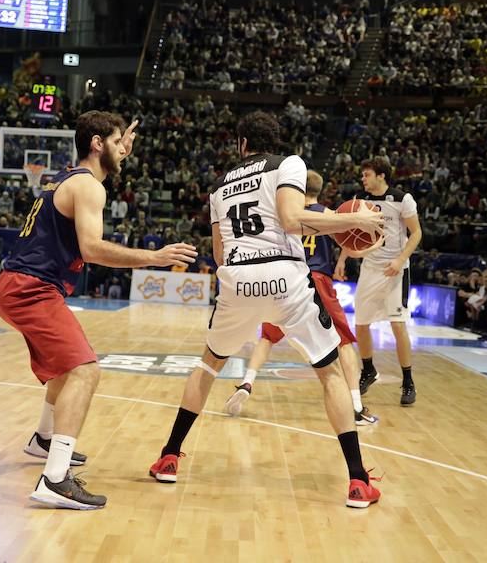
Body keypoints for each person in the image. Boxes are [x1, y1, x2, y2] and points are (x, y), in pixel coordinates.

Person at [148, 112, 386, 508]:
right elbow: (292, 220)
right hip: (284, 277)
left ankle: (169, 457)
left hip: (237, 278)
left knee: (207, 366)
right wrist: (353, 219)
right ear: (273, 142)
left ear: (242, 143)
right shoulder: (287, 164)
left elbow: (219, 252)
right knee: (329, 372)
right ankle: (358, 481)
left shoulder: (219, 185)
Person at [0, 112, 196, 510]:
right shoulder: (87, 186)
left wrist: (120, 152)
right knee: (86, 370)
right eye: (117, 142)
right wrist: (153, 257)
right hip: (31, 288)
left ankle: (44, 439)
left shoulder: (68, 178)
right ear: (97, 143)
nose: (123, 149)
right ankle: (55, 479)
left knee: (65, 370)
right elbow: (92, 249)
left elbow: (98, 178)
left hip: (17, 284)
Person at [222, 170, 381, 425]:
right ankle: (356, 406)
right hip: (317, 279)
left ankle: (247, 383)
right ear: (320, 190)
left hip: (287, 280)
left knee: (267, 337)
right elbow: (351, 248)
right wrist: (374, 245)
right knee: (342, 342)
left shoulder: (284, 212)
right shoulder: (327, 214)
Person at [335, 157, 423, 406]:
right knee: (361, 324)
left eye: (367, 174)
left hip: (395, 270)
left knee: (397, 325)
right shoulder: (360, 202)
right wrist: (342, 260)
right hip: (370, 268)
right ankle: (369, 370)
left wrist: (400, 260)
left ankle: (408, 381)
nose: (363, 178)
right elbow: (351, 233)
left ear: (381, 176)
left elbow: (416, 233)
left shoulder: (402, 199)